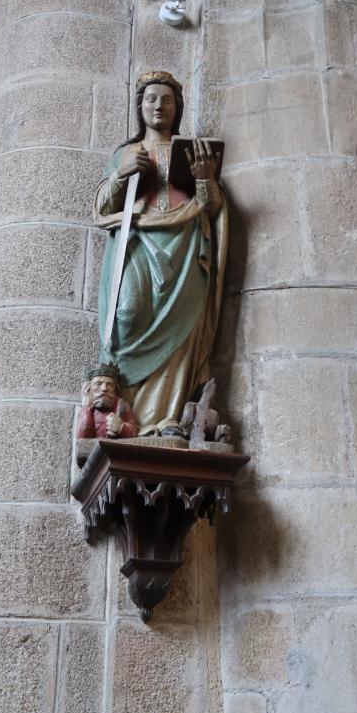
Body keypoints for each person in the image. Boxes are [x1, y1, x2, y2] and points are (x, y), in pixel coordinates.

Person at [94, 71, 227, 436]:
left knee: (182, 330)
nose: (159, 106)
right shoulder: (126, 153)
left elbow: (213, 208)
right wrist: (122, 175)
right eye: (151, 99)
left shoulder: (190, 151)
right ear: (140, 106)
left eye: (167, 101)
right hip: (139, 243)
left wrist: (204, 177)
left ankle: (167, 418)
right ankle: (127, 415)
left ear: (176, 108)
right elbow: (103, 205)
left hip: (184, 248)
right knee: (125, 315)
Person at [76, 363, 137, 439]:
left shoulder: (122, 407)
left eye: (110, 385)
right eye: (98, 384)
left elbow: (134, 432)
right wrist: (87, 408)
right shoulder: (87, 408)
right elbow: (82, 436)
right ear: (89, 388)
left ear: (115, 389)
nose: (104, 388)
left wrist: (121, 427)